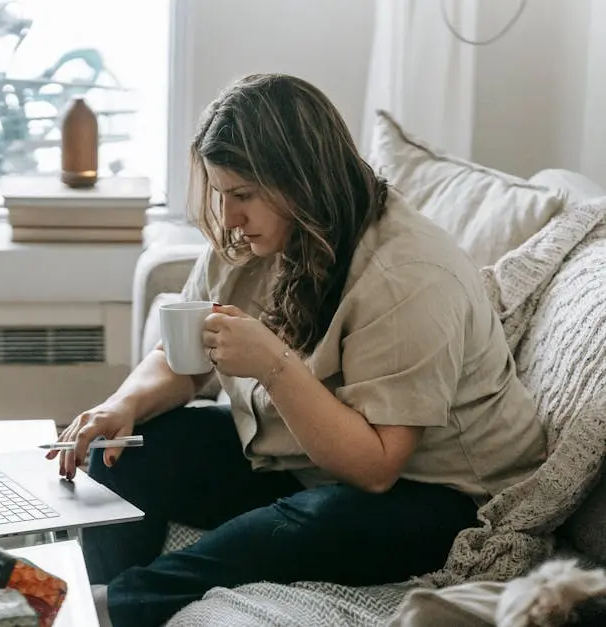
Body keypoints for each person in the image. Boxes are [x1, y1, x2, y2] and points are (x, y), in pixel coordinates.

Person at [46, 73, 547, 627]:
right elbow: (179, 357)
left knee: (320, 519)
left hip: (440, 494)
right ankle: (93, 594)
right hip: (303, 458)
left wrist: (272, 364)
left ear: (303, 180)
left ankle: (112, 607)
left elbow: (376, 469)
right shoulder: (255, 239)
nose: (230, 216)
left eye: (243, 195)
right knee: (127, 447)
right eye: (221, 194)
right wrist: (124, 404)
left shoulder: (407, 274)